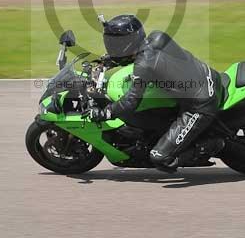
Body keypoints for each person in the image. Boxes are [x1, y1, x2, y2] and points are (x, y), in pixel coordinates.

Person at [87, 14, 224, 172]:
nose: (110, 45)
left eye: (114, 42)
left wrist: (106, 112)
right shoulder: (157, 37)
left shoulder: (144, 65)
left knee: (160, 157)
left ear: (126, 42)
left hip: (200, 103)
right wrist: (111, 60)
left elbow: (130, 102)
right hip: (210, 77)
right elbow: (150, 58)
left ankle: (214, 145)